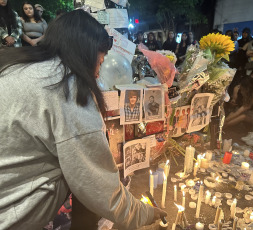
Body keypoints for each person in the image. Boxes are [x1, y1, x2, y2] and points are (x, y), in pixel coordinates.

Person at [0, 10, 166, 230]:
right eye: (101, 61)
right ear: (86, 52)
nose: (98, 73)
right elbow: (96, 184)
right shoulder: (64, 85)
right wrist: (143, 213)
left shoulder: (19, 68)